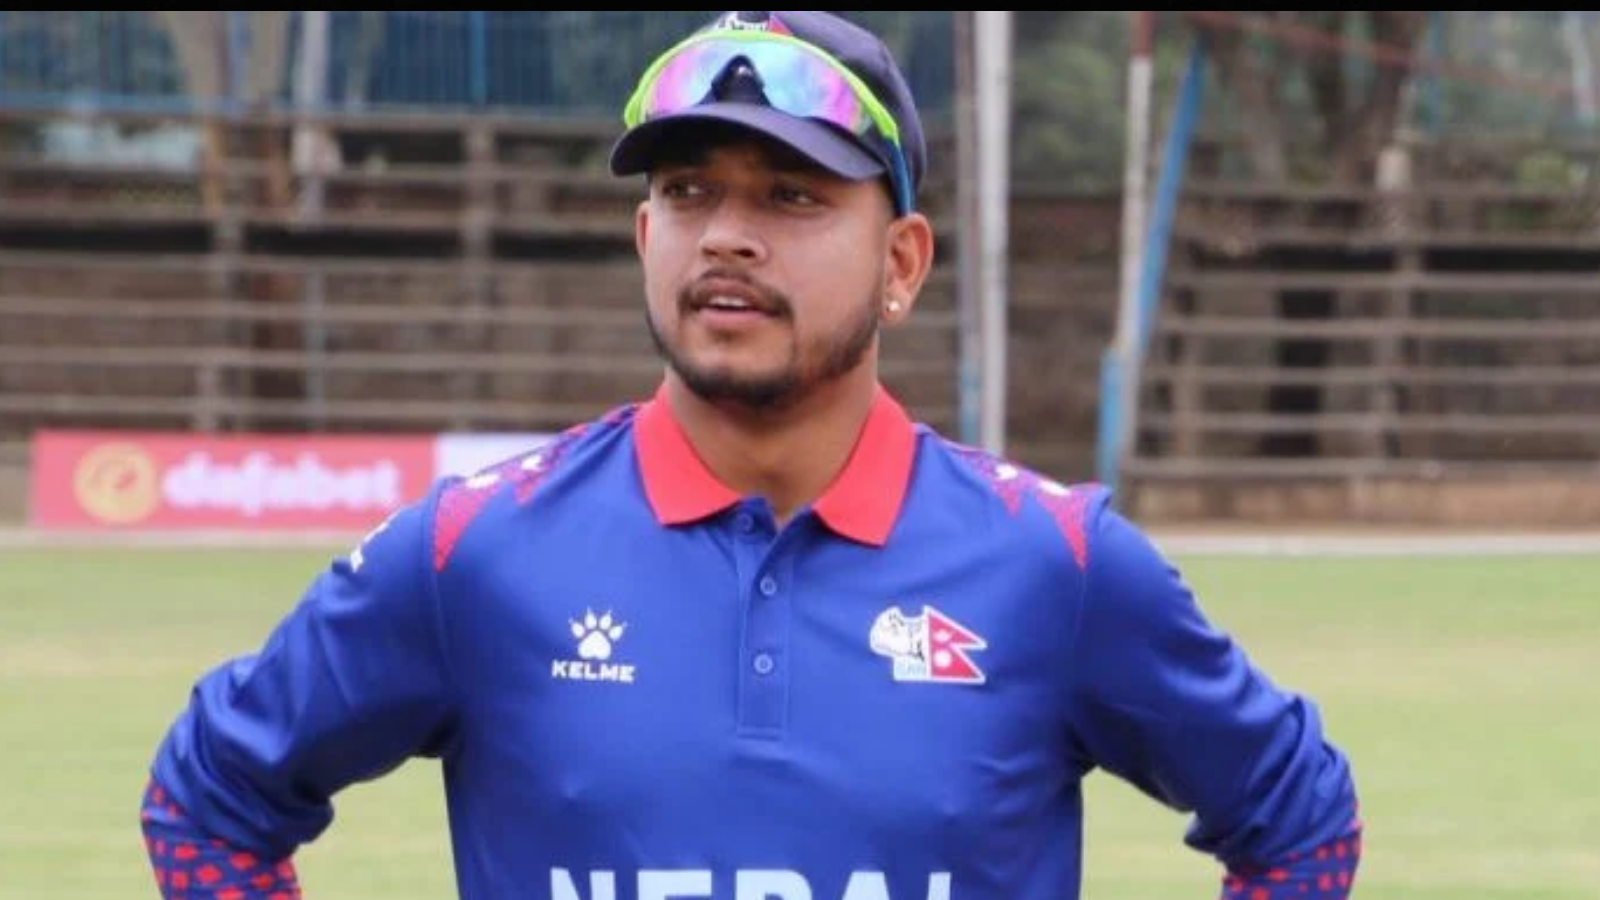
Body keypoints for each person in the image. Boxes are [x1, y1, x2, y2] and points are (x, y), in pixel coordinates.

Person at [141, 10, 1361, 900]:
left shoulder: (1056, 564)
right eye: (686, 191)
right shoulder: (481, 550)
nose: (725, 235)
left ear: (902, 263)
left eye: (792, 196)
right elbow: (208, 803)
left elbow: (1298, 821)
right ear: (642, 235)